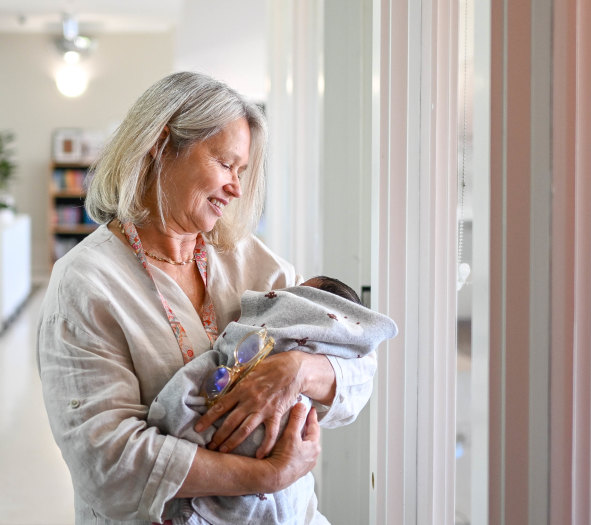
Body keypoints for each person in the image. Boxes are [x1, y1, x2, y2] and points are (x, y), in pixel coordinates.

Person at [36, 71, 378, 525]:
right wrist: (267, 475)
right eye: (224, 163)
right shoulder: (86, 282)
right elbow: (107, 462)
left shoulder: (250, 259)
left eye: (242, 171)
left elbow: (358, 362)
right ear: (160, 144)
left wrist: (297, 369)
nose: (236, 187)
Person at [147, 276, 398, 524]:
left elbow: (364, 365)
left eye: (297, 294)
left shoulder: (275, 271)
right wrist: (271, 475)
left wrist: (299, 367)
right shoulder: (109, 280)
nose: (286, 293)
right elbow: (116, 458)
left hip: (297, 505)